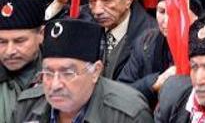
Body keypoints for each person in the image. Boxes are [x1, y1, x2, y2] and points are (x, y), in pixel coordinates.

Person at [13, 18, 153, 122]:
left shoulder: (127, 114)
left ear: (96, 71)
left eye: (67, 73)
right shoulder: (28, 105)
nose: (55, 85)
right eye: (48, 73)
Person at [48, 0, 158, 80]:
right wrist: (58, 2)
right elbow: (47, 38)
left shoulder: (151, 35)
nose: (97, 10)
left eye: (107, 0)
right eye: (92, 1)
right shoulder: (80, 19)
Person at [117, 0, 202, 108]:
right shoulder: (146, 41)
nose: (166, 21)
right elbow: (120, 92)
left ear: (195, 17)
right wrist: (153, 83)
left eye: (175, 12)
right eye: (161, 11)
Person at [0, 0, 50, 122]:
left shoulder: (63, 76)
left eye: (19, 41)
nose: (10, 51)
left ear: (41, 34)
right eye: (2, 42)